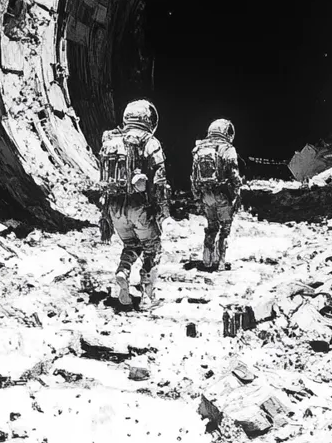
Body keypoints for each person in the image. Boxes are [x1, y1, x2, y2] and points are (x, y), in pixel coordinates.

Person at [97, 99, 175, 310]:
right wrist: (163, 211)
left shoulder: (110, 142)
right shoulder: (150, 142)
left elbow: (103, 180)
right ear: (148, 119)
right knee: (152, 249)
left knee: (131, 245)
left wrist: (105, 214)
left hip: (115, 208)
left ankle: (122, 274)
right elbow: (159, 183)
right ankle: (148, 296)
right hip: (139, 208)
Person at [190, 118, 243, 271]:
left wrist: (197, 196)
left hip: (206, 195)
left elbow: (194, 176)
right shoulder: (227, 149)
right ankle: (220, 262)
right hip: (223, 194)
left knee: (211, 227)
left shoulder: (199, 149)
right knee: (225, 228)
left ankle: (206, 260)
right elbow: (233, 174)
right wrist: (236, 191)